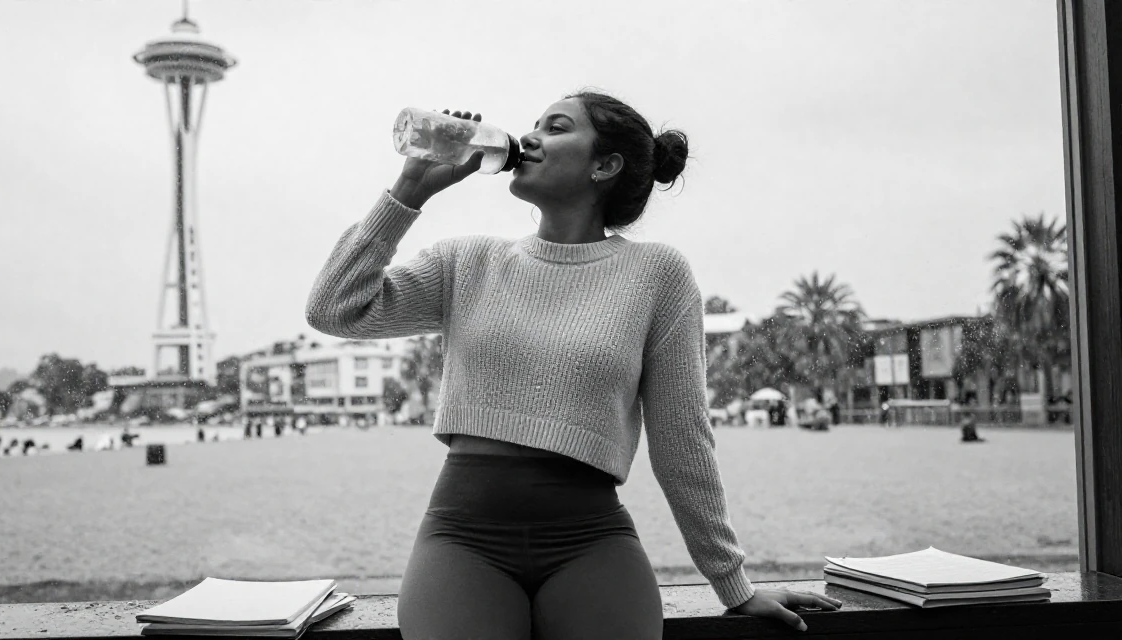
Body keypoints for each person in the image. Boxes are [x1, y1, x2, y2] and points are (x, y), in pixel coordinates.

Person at [305, 95, 841, 638]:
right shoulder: (466, 262)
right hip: (461, 540)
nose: (530, 136)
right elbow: (335, 309)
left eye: (555, 128)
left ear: (604, 165)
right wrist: (411, 190)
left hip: (591, 542)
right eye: (533, 125)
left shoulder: (658, 274)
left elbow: (683, 440)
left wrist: (734, 585)